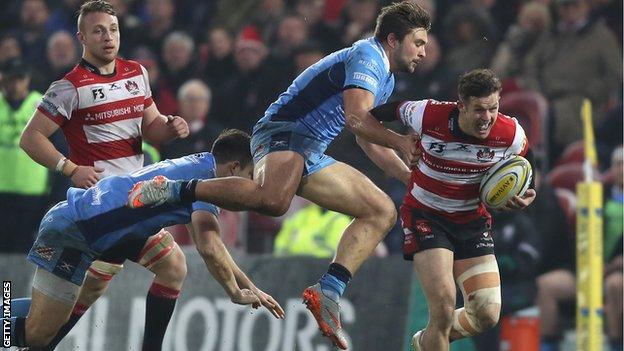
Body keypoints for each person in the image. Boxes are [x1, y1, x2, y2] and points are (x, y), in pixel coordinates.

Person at [127, 2, 431, 349]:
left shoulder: (386, 78)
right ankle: (174, 189)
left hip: (310, 149)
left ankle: (327, 292)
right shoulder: (368, 54)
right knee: (274, 201)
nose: (422, 52)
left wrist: (408, 177)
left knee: (382, 211)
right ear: (393, 39)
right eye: (418, 42)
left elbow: (365, 136)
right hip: (283, 131)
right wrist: (401, 141)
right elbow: (357, 120)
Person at [6, 130, 285, 349]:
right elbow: (209, 247)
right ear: (234, 169)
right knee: (38, 335)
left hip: (101, 224)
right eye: (251, 178)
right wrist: (234, 292)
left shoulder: (200, 165)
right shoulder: (209, 181)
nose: (252, 190)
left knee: (173, 264)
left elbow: (215, 246)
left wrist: (250, 286)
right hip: (74, 232)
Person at [18, 1, 190, 350]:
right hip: (100, 207)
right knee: (37, 332)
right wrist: (69, 168)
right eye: (98, 30)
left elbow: (152, 130)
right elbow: (30, 138)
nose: (108, 37)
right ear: (81, 37)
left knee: (161, 269)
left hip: (133, 202)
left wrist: (170, 128)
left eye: (112, 29)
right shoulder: (69, 87)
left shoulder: (136, 73)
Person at [367, 68, 537, 350]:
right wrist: (389, 138)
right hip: (427, 217)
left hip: (472, 221)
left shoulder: (510, 133)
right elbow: (387, 111)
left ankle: (429, 339)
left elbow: (528, 163)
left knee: (486, 314)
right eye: (479, 110)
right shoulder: (428, 115)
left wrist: (530, 192)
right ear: (461, 106)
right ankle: (438, 329)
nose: (487, 118)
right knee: (444, 306)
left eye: (493, 108)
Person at [0, 59, 48, 253]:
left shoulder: (42, 104)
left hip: (33, 192)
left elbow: (60, 145)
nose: (16, 84)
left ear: (27, 80)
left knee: (24, 249)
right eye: (12, 79)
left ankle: (13, 285)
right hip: (2, 190)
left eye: (20, 79)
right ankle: (7, 285)